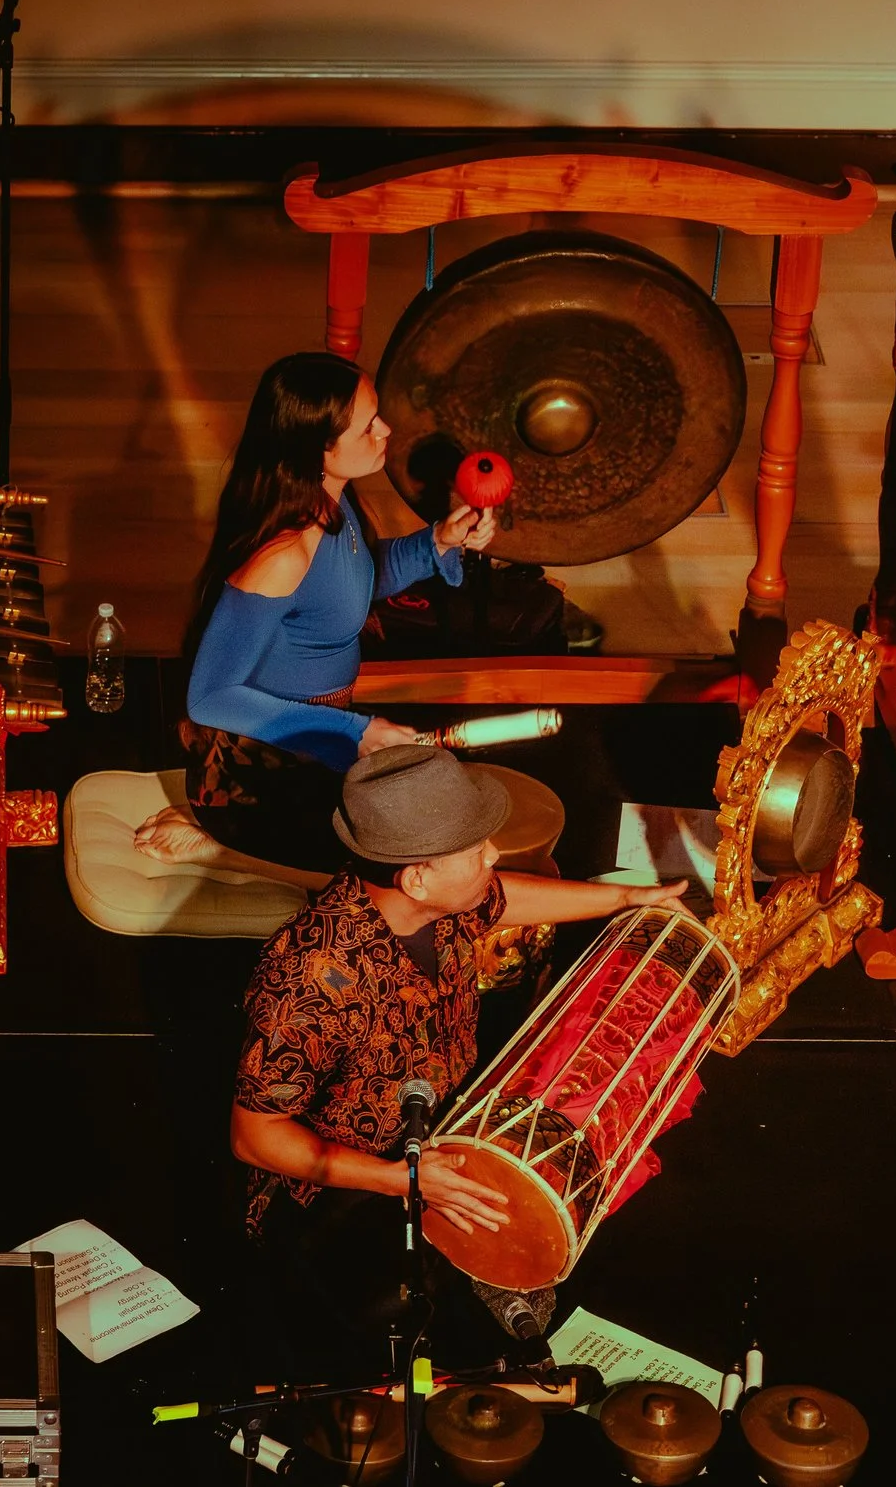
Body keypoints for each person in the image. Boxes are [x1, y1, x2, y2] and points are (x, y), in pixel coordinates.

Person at [231, 744, 686, 1373]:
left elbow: (501, 898)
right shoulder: (307, 979)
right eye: (475, 851)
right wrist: (402, 1180)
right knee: (400, 1344)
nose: (492, 855)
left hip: (441, 1137)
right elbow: (256, 1138)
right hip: (340, 1196)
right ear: (416, 876)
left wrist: (628, 901)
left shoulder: (438, 903)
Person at [135, 351, 495, 876]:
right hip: (264, 775)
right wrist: (354, 732)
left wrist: (438, 540)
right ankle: (222, 839)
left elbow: (352, 584)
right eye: (369, 426)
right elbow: (210, 697)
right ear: (317, 450)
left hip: (323, 742)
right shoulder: (283, 554)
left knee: (445, 821)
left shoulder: (332, 503)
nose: (386, 429)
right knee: (407, 868)